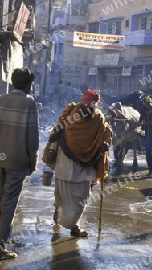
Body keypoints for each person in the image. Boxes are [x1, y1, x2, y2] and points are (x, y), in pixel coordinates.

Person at [0, 68, 39, 261]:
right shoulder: (29, 103)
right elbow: (32, 138)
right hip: (17, 161)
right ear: (27, 85)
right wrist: (32, 161)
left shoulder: (1, 100)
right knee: (8, 203)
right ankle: (0, 247)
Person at [47, 90, 112, 237]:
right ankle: (59, 213)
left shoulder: (99, 118)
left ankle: (74, 225)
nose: (87, 108)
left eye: (91, 105)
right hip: (65, 160)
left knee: (82, 196)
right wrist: (52, 150)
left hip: (87, 162)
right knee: (61, 195)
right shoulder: (70, 112)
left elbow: (105, 133)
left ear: (95, 104)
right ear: (82, 102)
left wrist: (105, 144)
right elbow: (57, 132)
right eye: (86, 104)